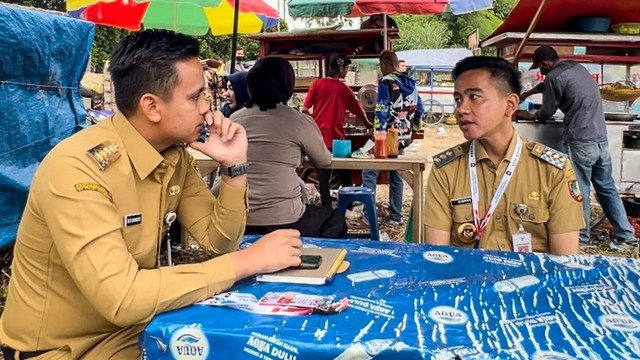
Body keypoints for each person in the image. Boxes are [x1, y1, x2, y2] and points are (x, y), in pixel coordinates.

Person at [0, 30, 304, 359]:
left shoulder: (172, 156)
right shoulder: (77, 170)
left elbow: (218, 241)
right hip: (64, 350)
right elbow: (123, 297)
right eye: (196, 97)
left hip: (135, 331)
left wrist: (233, 167)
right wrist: (248, 261)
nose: (207, 109)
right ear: (152, 107)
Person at [424, 56, 584, 255]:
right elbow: (437, 257)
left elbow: (564, 262)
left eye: (474, 97)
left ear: (510, 104)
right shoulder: (446, 170)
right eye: (458, 99)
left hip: (532, 284)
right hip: (468, 284)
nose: (461, 110)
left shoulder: (554, 170)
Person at [519, 46, 636, 244]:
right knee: (606, 187)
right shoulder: (575, 68)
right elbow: (544, 86)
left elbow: (546, 113)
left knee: (579, 190)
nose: (540, 71)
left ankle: (581, 237)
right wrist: (526, 94)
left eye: (540, 67)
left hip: (580, 140)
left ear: (545, 63)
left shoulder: (554, 78)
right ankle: (626, 234)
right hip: (600, 138)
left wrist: (530, 114)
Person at [232, 56, 348, 238]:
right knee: (335, 220)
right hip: (285, 218)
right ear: (287, 85)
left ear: (250, 84)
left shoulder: (234, 119)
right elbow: (324, 161)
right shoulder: (297, 120)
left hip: (239, 219)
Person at [362, 50, 424, 226]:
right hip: (402, 137)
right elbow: (420, 109)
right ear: (398, 64)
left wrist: (377, 136)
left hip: (385, 136)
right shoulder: (412, 84)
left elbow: (381, 110)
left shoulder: (387, 82)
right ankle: (395, 218)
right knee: (396, 176)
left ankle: (368, 216)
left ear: (383, 65)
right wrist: (412, 128)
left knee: (369, 173)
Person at [301, 54, 368, 207]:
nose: (347, 71)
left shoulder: (316, 84)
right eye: (347, 68)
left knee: (323, 175)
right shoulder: (344, 89)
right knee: (344, 173)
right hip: (338, 140)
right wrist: (368, 122)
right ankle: (348, 205)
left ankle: (326, 208)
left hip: (318, 138)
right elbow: (359, 110)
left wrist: (315, 119)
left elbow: (304, 109)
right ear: (341, 68)